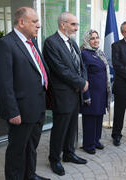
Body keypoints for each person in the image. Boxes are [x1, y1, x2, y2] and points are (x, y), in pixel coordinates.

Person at [0, 7, 50, 180]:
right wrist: (12, 111)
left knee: (31, 146)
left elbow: (39, 71)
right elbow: (4, 83)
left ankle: (30, 175)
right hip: (21, 110)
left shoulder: (31, 42)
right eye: (34, 21)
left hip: (38, 106)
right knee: (17, 150)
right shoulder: (5, 44)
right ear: (21, 22)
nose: (38, 25)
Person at [43, 12, 88, 176]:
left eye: (76, 24)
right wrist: (81, 82)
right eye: (73, 24)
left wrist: (83, 80)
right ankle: (55, 159)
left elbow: (81, 65)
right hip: (62, 94)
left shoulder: (73, 42)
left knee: (72, 126)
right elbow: (60, 69)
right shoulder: (51, 43)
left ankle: (69, 154)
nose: (77, 28)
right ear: (63, 24)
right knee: (60, 128)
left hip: (76, 93)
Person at [79, 30, 112, 154]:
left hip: (101, 93)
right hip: (91, 93)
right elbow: (83, 75)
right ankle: (88, 144)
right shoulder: (84, 54)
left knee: (98, 118)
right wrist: (86, 95)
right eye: (92, 38)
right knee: (90, 120)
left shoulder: (99, 53)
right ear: (87, 40)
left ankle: (96, 140)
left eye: (97, 37)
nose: (95, 40)